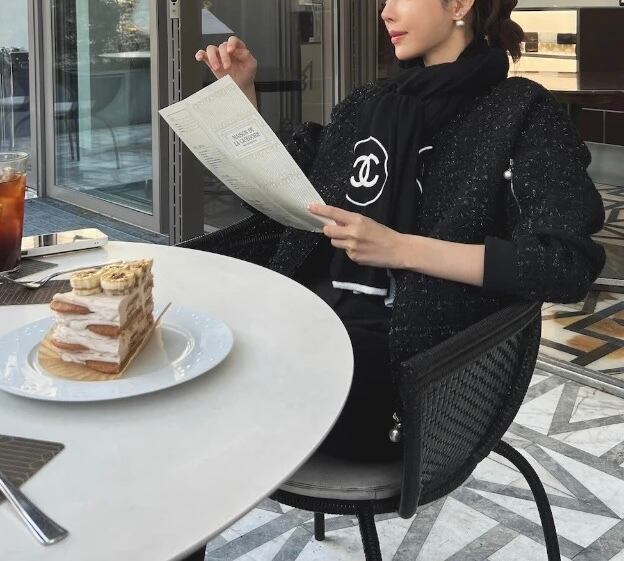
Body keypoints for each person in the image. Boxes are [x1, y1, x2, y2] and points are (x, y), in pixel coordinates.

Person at [194, 0, 605, 462]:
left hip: (412, 370)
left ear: (459, 4)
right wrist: (241, 99)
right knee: (188, 348)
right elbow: (292, 199)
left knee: (207, 397)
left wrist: (399, 248)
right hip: (306, 317)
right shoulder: (369, 104)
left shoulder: (521, 111)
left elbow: (563, 264)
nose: (385, 13)